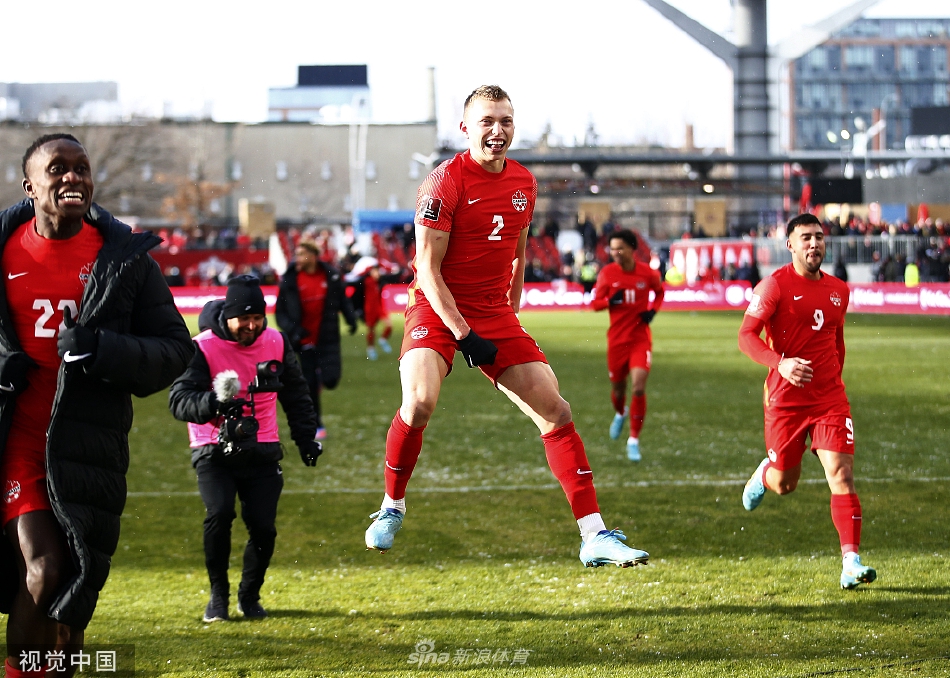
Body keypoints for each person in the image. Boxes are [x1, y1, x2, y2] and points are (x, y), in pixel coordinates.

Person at [363, 85, 650, 569]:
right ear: (466, 129)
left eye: (506, 122)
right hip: (436, 307)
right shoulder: (443, 183)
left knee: (556, 411)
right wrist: (462, 332)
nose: (498, 131)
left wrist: (507, 312)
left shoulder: (523, 181)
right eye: (487, 122)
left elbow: (516, 250)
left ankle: (594, 535)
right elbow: (428, 271)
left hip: (493, 311)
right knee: (419, 401)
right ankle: (392, 506)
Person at [0, 134, 194, 676]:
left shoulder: (124, 259)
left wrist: (104, 349)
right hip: (17, 443)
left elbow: (175, 349)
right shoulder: (1, 250)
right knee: (43, 569)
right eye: (57, 169)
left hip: (87, 448)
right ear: (29, 185)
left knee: (70, 597)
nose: (72, 178)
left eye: (81, 169)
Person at [169, 275, 322, 622]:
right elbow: (179, 401)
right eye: (244, 319)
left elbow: (297, 397)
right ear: (228, 315)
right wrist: (215, 403)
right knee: (219, 514)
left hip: (263, 446)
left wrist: (305, 439)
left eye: (257, 318)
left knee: (264, 527)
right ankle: (218, 597)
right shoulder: (201, 347)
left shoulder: (277, 342)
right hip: (212, 447)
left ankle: (249, 596)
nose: (251, 326)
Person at [738, 213, 877, 590]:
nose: (814, 244)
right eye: (806, 238)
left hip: (830, 398)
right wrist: (779, 364)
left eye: (818, 237)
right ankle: (764, 473)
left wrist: (836, 383)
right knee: (785, 484)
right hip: (786, 401)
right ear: (791, 245)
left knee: (842, 476)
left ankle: (851, 561)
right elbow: (746, 337)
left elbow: (837, 341)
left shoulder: (838, 290)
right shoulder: (774, 286)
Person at [590, 230, 665, 462]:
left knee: (639, 387)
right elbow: (594, 304)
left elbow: (660, 292)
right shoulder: (608, 273)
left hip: (640, 339)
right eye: (612, 249)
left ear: (633, 249)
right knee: (618, 389)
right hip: (617, 341)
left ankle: (633, 439)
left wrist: (652, 311)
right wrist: (609, 301)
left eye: (620, 248)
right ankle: (620, 413)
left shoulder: (647, 273)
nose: (615, 253)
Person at [275, 239, 356, 439]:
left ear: (312, 256)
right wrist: (294, 331)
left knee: (331, 380)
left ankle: (322, 379)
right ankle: (316, 423)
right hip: (303, 342)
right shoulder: (290, 280)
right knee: (309, 383)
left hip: (327, 337)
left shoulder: (331, 276)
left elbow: (342, 301)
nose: (297, 259)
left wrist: (351, 318)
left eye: (301, 254)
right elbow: (280, 314)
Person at [350, 257, 394, 361]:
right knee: (371, 330)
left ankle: (383, 340)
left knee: (389, 325)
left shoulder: (380, 281)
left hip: (380, 308)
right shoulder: (365, 281)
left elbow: (391, 275)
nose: (377, 273)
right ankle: (371, 349)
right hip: (369, 309)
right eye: (375, 271)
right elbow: (354, 285)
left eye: (378, 271)